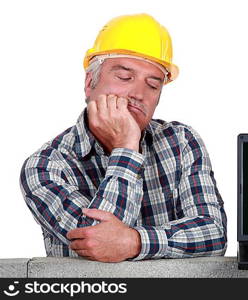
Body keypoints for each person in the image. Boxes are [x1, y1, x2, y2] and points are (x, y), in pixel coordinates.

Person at [19, 13, 227, 262]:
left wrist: (135, 242)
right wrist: (127, 147)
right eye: (125, 77)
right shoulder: (45, 167)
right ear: (89, 82)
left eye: (152, 85)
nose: (138, 94)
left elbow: (213, 233)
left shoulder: (181, 142)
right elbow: (97, 242)